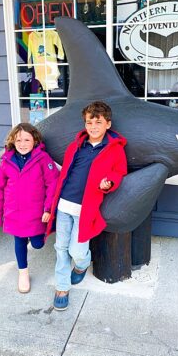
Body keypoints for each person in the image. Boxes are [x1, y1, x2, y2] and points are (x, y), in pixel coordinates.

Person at [45, 101, 128, 311]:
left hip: (86, 209)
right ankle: (62, 287)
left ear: (107, 124)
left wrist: (108, 181)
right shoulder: (76, 146)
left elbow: (119, 172)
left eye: (98, 122)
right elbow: (66, 173)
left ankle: (82, 265)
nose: (93, 126)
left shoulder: (114, 149)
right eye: (89, 122)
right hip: (64, 204)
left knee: (77, 251)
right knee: (61, 247)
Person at [0, 123, 59, 293]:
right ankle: (23, 273)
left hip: (36, 213)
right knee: (19, 241)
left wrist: (48, 208)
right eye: (18, 139)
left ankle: (33, 237)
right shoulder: (6, 161)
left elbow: (53, 183)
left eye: (27, 139)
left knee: (37, 244)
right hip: (14, 212)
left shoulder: (42, 158)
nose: (22, 143)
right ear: (13, 141)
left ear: (35, 140)